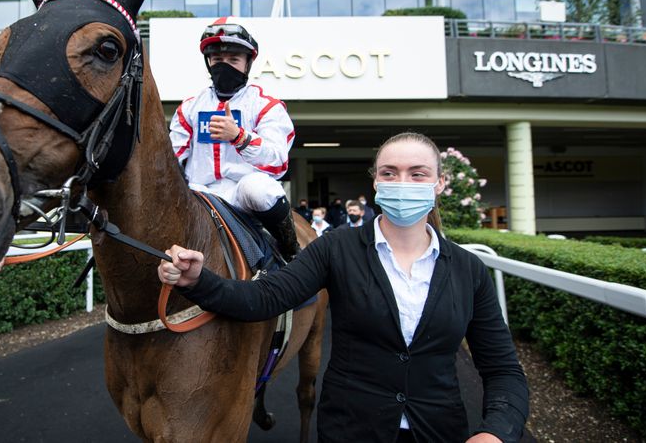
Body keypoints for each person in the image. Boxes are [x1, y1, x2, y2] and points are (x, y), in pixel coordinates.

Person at [158, 131, 529, 443]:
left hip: (439, 432)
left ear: (439, 183)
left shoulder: (468, 270)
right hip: (351, 430)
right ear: (376, 182)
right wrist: (199, 280)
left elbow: (503, 370)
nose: (402, 183)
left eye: (418, 174)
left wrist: (496, 432)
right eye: (390, 173)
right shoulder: (336, 248)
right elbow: (265, 297)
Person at [170, 17, 299, 259]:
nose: (224, 66)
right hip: (199, 194)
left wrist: (239, 137)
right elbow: (172, 158)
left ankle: (291, 251)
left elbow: (278, 161)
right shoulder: (189, 108)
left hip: (244, 195)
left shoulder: (266, 106)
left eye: (233, 60)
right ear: (208, 62)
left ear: (248, 63)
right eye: (217, 59)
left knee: (259, 189)